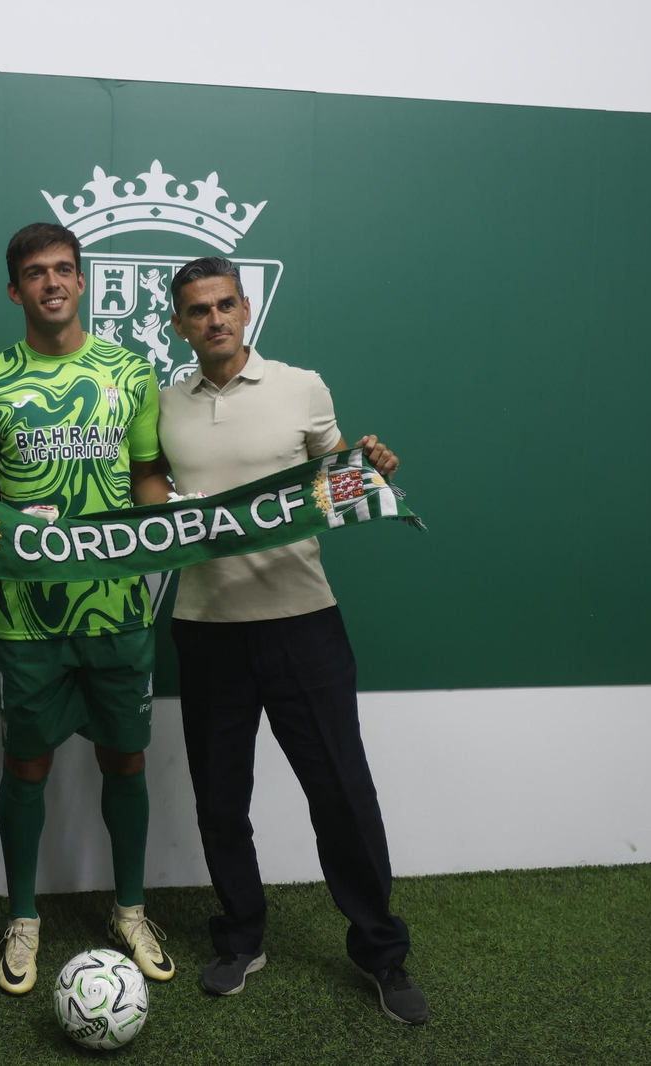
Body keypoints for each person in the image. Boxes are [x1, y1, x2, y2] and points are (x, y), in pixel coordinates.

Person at [156, 256, 429, 1024]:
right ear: (179, 323)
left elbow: (335, 478)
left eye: (225, 304)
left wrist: (369, 466)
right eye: (198, 310)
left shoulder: (301, 386)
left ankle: (382, 953)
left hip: (303, 622)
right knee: (219, 800)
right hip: (206, 630)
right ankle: (241, 937)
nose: (214, 319)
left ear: (245, 309)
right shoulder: (163, 404)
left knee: (342, 794)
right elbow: (149, 489)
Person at [0, 222, 176, 995]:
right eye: (35, 274)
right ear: (15, 290)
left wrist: (171, 522)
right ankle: (23, 916)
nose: (52, 283)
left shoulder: (130, 372)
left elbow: (148, 476)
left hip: (118, 608)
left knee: (126, 757)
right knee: (28, 761)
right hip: (28, 616)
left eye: (64, 270)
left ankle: (131, 906)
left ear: (82, 282)